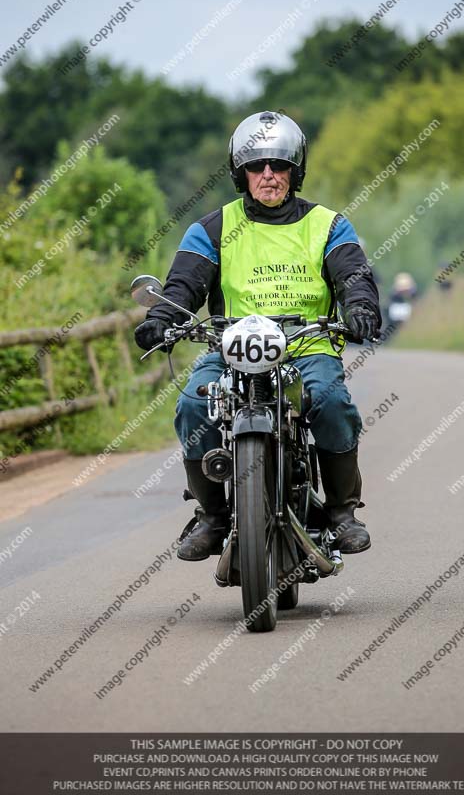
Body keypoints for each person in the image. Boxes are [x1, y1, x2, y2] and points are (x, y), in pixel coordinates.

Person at [134, 111, 381, 561]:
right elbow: (184, 284)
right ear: (240, 172)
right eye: (257, 165)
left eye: (280, 165)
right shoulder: (211, 229)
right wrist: (163, 318)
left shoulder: (329, 225)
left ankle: (343, 513)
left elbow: (353, 275)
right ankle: (211, 515)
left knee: (330, 399)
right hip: (229, 350)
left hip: (306, 347)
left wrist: (360, 307)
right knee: (193, 403)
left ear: (296, 171)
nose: (268, 174)